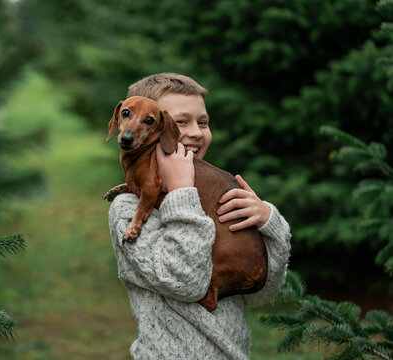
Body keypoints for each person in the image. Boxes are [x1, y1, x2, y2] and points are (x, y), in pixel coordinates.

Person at [108, 73, 291, 360]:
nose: (195, 132)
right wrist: (181, 192)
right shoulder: (126, 212)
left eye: (202, 122)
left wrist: (269, 222)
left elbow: (259, 293)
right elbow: (187, 283)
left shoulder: (215, 194)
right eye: (181, 122)